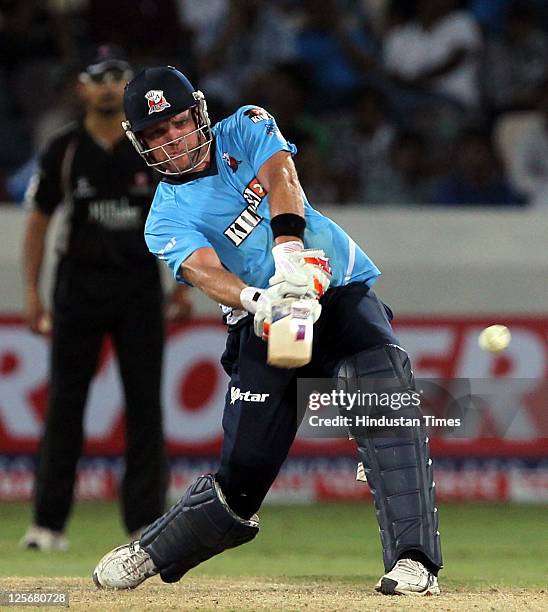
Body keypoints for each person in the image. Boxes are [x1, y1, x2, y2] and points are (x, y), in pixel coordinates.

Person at [92, 66, 442, 596]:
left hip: (335, 289)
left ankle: (414, 563)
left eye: (178, 122)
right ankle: (150, 551)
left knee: (385, 398)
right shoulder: (163, 219)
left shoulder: (247, 125)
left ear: (199, 114)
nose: (172, 140)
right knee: (244, 476)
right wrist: (260, 298)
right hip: (268, 323)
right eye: (156, 134)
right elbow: (204, 271)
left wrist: (289, 253)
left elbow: (282, 178)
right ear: (141, 144)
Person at [20, 46, 192, 551]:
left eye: (118, 77)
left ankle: (145, 523)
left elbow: (184, 219)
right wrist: (32, 293)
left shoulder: (151, 147)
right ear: (82, 88)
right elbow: (38, 224)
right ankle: (48, 525)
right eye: (98, 79)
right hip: (78, 287)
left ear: (128, 86)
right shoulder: (65, 149)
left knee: (144, 406)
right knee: (64, 406)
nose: (108, 87)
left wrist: (182, 286)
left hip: (139, 288)